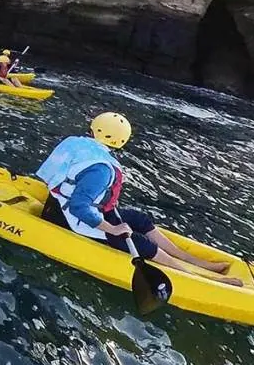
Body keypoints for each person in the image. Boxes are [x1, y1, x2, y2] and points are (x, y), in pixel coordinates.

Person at [37, 113, 241, 285]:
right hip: (68, 218)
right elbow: (79, 207)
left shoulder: (79, 145)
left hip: (57, 205)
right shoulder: (100, 169)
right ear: (121, 141)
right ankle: (195, 278)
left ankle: (192, 260)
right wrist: (114, 229)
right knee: (141, 244)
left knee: (138, 219)